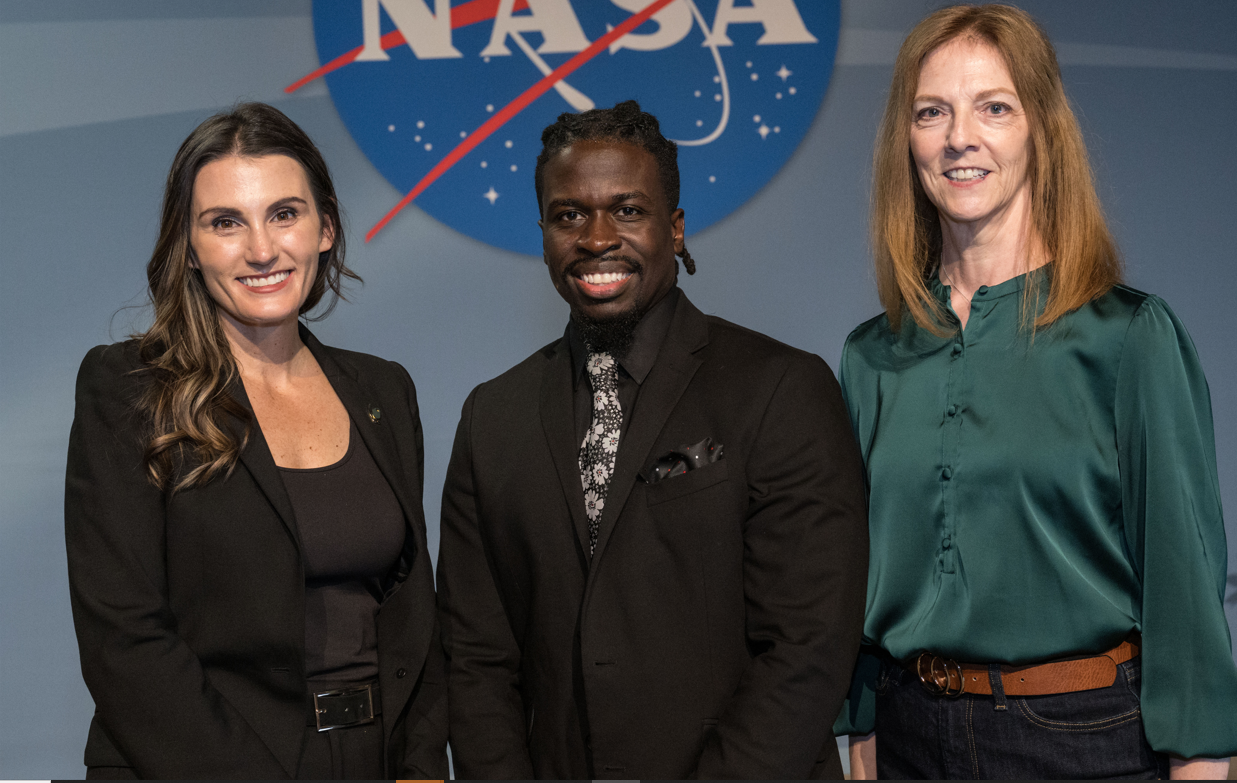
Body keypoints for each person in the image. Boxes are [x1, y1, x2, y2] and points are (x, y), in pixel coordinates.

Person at [834, 5, 1237, 780]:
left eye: (993, 107)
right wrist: (862, 741)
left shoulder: (1128, 337)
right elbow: (855, 583)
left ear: (1040, 131)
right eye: (931, 112)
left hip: (1081, 740)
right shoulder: (870, 355)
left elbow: (1184, 593)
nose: (959, 136)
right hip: (908, 739)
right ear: (905, 141)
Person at [436, 100, 869, 779]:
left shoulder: (780, 388)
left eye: (627, 210)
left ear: (674, 227)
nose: (596, 237)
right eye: (568, 215)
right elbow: (475, 658)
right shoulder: (493, 416)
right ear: (544, 233)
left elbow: (808, 646)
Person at [65, 103, 446, 780]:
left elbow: (411, 614)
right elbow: (125, 640)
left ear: (325, 226)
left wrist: (418, 765)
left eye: (284, 214)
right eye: (225, 223)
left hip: (368, 757)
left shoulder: (383, 390)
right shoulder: (127, 388)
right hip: (199, 763)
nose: (262, 249)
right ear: (187, 243)